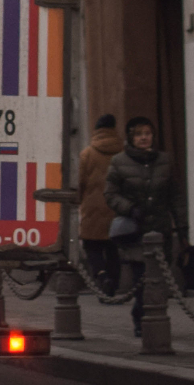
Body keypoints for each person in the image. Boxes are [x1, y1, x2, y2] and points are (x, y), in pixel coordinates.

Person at [105, 116, 176, 336]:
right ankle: (141, 319)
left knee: (159, 279)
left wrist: (181, 228)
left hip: (161, 229)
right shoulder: (119, 162)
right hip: (135, 230)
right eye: (138, 134)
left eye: (147, 133)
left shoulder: (165, 161)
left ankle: (156, 317)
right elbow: (110, 194)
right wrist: (129, 208)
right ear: (131, 138)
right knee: (141, 278)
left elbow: (176, 196)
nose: (144, 138)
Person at [76, 115, 124, 291]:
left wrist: (78, 203)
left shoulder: (87, 153)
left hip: (92, 208)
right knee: (113, 250)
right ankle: (114, 284)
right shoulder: (122, 152)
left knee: (92, 247)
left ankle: (101, 276)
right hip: (115, 208)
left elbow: (79, 183)